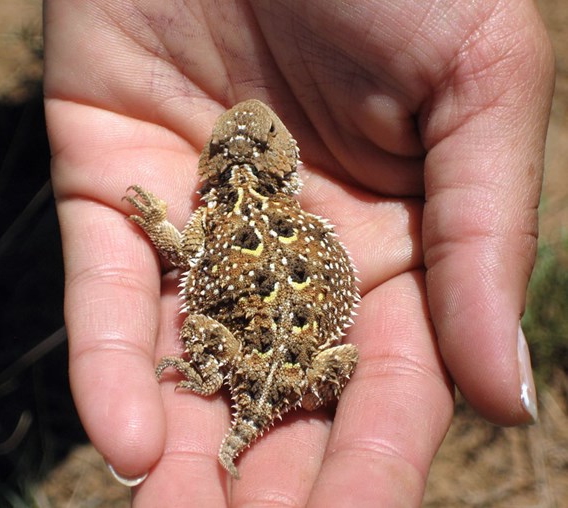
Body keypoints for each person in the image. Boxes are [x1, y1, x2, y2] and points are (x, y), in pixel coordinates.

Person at [43, 1, 554, 505]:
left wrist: (156, 220)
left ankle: (207, 377)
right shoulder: (286, 206)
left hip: (242, 359)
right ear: (283, 165)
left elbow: (181, 253)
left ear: (210, 169)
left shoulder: (213, 218)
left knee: (202, 330)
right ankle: (299, 399)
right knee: (350, 357)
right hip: (307, 367)